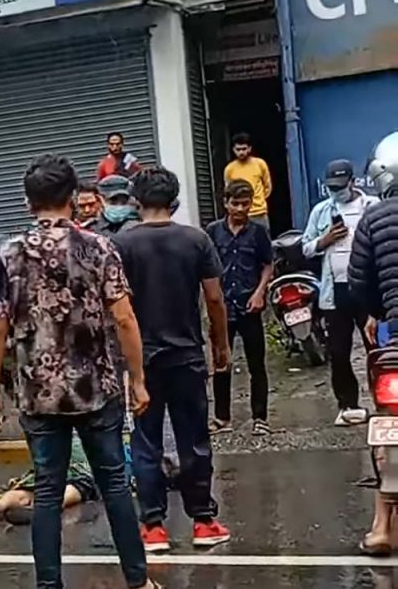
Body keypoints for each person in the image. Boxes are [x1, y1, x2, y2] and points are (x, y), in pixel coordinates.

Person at [0, 153, 158, 589]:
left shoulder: (9, 254)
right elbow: (125, 318)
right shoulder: (98, 248)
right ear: (75, 199)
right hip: (96, 386)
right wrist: (137, 379)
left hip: (39, 394)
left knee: (46, 490)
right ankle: (138, 581)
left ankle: (49, 585)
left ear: (28, 202)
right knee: (115, 483)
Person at [113, 166, 232, 553]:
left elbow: (116, 308)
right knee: (194, 438)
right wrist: (221, 345)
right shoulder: (196, 240)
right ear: (175, 199)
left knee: (146, 441)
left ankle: (153, 527)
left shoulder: (121, 244)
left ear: (136, 201)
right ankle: (203, 520)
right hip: (186, 354)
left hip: (141, 358)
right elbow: (214, 298)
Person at [301, 158, 379, 427]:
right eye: (332, 187)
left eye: (340, 186)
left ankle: (384, 403)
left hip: (369, 291)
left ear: (353, 182)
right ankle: (348, 404)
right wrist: (326, 240)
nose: (336, 191)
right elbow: (306, 248)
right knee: (338, 351)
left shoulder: (372, 207)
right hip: (335, 292)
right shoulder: (321, 211)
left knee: (378, 349)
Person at [350, 146, 398, 556]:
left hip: (394, 337)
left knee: (391, 425)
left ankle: (383, 528)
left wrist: (374, 313)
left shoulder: (372, 218)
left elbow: (358, 281)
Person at [206, 181, 274, 436]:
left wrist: (260, 293)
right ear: (226, 203)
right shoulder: (213, 232)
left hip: (249, 306)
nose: (240, 208)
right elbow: (205, 268)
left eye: (245, 203)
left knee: (257, 364)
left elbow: (268, 264)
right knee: (221, 362)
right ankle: (222, 418)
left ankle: (260, 418)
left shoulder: (258, 232)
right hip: (221, 307)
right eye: (235, 203)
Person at [224, 133, 272, 230]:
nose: (241, 152)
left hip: (259, 212)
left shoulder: (260, 164)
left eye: (244, 149)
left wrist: (259, 200)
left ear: (249, 148)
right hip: (238, 214)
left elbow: (267, 186)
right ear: (233, 150)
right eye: (238, 149)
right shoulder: (230, 169)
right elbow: (228, 191)